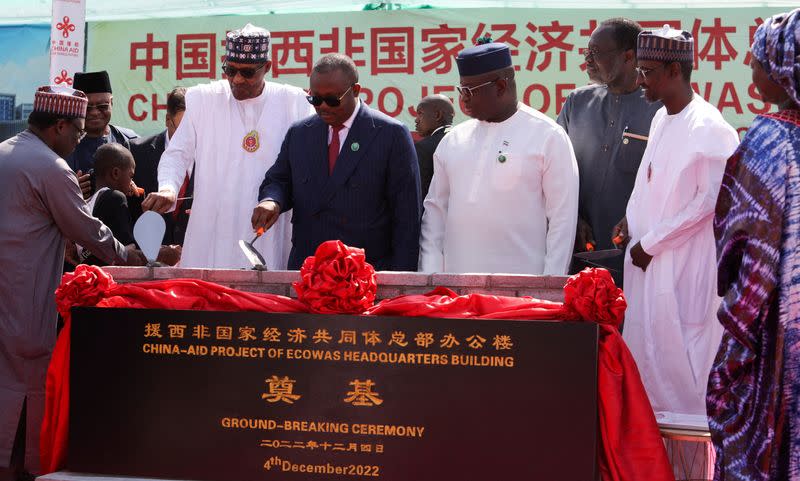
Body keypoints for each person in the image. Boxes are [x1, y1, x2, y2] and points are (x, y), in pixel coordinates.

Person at [0, 86, 144, 481]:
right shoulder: (51, 166)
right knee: (28, 381)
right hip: (25, 294)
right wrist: (127, 255)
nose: (80, 140)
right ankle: (26, 467)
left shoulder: (6, 151)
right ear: (59, 125)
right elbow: (85, 228)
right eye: (78, 132)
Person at [612, 25, 739, 417]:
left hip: (685, 263)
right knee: (647, 350)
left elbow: (709, 201)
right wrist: (629, 221)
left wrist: (654, 243)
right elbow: (647, 181)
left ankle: (695, 458)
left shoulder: (710, 127)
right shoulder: (661, 120)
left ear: (673, 71)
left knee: (684, 355)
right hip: (648, 257)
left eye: (647, 72)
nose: (640, 81)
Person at [707, 9, 800, 480]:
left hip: (780, 337)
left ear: (785, 69)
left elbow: (740, 246)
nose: (750, 66)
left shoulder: (769, 142)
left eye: (759, 58)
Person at [142, 23, 314, 269]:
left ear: (267, 67)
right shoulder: (204, 99)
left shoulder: (293, 102)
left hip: (266, 226)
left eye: (247, 73)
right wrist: (169, 189)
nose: (236, 79)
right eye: (230, 70)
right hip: (213, 225)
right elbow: (177, 154)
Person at [418, 39, 579, 275]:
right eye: (461, 90)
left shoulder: (548, 136)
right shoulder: (453, 141)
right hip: (455, 295)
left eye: (470, 90)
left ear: (501, 86)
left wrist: (550, 289)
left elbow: (562, 221)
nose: (464, 99)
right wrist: (431, 280)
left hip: (524, 294)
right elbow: (434, 216)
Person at [252, 53, 421, 271]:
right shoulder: (300, 133)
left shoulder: (389, 134)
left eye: (332, 100)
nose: (323, 107)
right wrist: (271, 200)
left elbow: (407, 217)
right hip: (309, 269)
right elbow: (279, 179)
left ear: (356, 91)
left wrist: (401, 281)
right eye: (315, 99)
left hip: (364, 273)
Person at [557, 18, 662, 286]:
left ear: (628, 56)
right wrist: (573, 218)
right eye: (586, 53)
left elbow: (667, 183)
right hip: (580, 249)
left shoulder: (659, 110)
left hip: (637, 252)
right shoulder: (576, 103)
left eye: (596, 53)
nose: (588, 60)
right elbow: (555, 170)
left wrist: (637, 219)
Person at [79, 144, 181, 266]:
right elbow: (127, 257)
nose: (132, 183)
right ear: (115, 173)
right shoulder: (114, 198)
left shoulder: (90, 202)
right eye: (130, 176)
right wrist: (166, 254)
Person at [130, 87, 193, 245]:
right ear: (167, 120)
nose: (188, 137)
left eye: (193, 129)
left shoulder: (211, 156)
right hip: (148, 256)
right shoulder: (136, 151)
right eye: (181, 129)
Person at [65, 70, 138, 175]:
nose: (95, 113)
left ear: (111, 103)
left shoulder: (130, 141)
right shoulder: (62, 145)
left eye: (102, 106)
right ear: (76, 106)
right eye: (87, 107)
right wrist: (71, 187)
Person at [414, 94, 454, 200]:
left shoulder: (424, 147)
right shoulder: (464, 140)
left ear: (437, 115)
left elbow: (421, 192)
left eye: (420, 114)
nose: (416, 120)